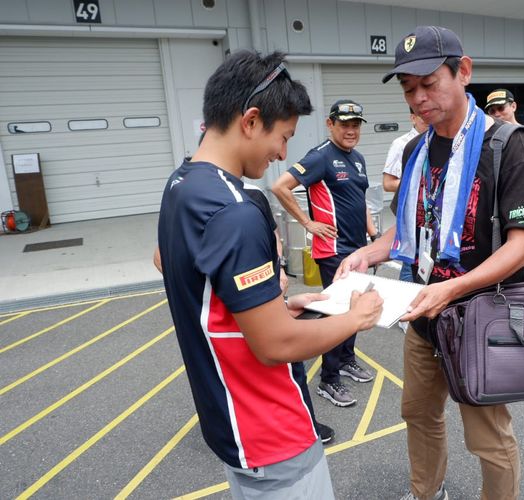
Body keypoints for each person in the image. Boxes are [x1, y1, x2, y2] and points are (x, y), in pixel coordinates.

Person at [335, 26, 524, 499]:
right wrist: (366, 254)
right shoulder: (416, 149)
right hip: (421, 313)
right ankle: (427, 492)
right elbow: (411, 229)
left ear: (464, 72)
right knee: (418, 413)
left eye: (429, 82)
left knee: (489, 438)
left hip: (481, 320)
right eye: (408, 88)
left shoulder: (509, 145)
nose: (418, 98)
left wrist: (452, 289)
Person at [157, 50, 383, 499]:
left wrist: (271, 303)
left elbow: (167, 262)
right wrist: (356, 318)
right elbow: (275, 343)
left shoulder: (181, 184)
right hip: (271, 429)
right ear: (251, 120)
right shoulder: (237, 210)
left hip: (230, 423)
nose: (282, 154)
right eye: (283, 137)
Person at [152, 181, 335, 446]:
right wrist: (205, 296)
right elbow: (161, 256)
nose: (280, 154)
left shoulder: (253, 194)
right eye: (281, 138)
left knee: (286, 368)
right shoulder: (193, 196)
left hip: (266, 294)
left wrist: (279, 269)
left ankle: (304, 423)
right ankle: (245, 430)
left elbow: (273, 237)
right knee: (248, 368)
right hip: (233, 312)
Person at [272, 99, 379, 408]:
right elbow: (281, 187)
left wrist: (374, 238)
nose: (350, 130)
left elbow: (361, 202)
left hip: (356, 250)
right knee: (338, 313)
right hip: (332, 251)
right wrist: (308, 223)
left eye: (355, 124)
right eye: (344, 124)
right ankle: (328, 380)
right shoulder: (320, 157)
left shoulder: (356, 158)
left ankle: (346, 360)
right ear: (330, 124)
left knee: (354, 309)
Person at [383, 108, 429, 287]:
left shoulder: (438, 140)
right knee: (409, 265)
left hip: (430, 220)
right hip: (410, 216)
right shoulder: (402, 144)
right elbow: (388, 183)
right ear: (412, 118)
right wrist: (417, 184)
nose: (427, 120)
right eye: (422, 117)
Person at [485, 88, 524, 166]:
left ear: (513, 106)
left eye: (501, 108)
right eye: (492, 111)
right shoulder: (487, 136)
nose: (497, 114)